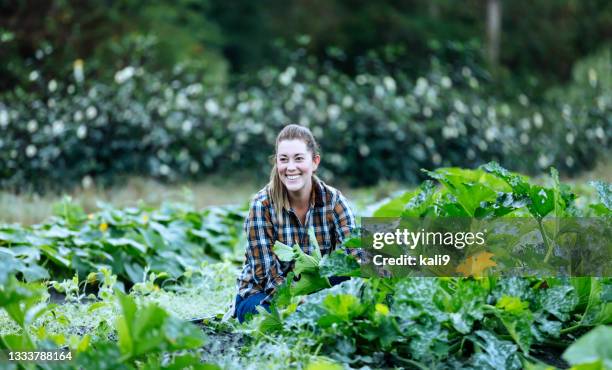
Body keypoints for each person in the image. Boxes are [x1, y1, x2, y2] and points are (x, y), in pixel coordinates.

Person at [233, 124, 362, 323]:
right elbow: (265, 275)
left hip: (316, 289)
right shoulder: (262, 206)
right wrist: (299, 302)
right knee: (267, 316)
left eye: (299, 158)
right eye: (284, 159)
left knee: (355, 284)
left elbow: (356, 256)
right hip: (265, 295)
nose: (291, 167)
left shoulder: (334, 201)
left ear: (315, 162)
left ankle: (312, 314)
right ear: (276, 162)